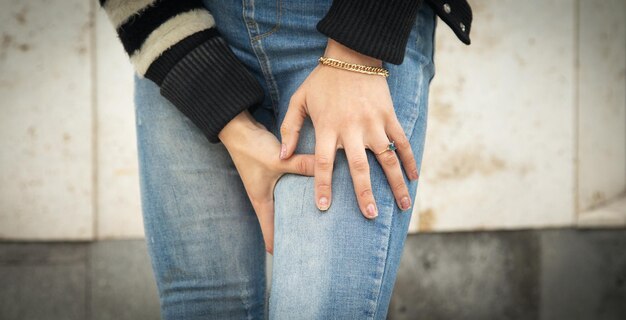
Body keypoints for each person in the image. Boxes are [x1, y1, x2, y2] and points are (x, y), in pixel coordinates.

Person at [101, 0, 472, 318]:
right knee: (203, 307)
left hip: (351, 37)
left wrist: (358, 47)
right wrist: (226, 119)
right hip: (180, 34)